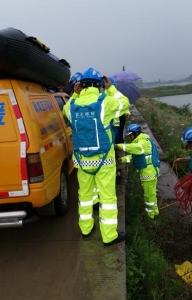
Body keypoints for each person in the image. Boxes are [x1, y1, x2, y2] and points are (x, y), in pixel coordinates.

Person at [63, 67, 130, 246]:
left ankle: (86, 229)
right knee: (107, 198)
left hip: (82, 162)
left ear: (80, 85)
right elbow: (125, 103)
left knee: (84, 196)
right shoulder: (105, 102)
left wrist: (75, 95)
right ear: (99, 85)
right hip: (104, 161)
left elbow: (66, 111)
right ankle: (109, 236)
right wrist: (111, 88)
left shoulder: (71, 105)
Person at [116, 123, 160, 219]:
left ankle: (151, 216)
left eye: (130, 135)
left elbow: (134, 149)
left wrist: (117, 146)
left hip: (149, 174)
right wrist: (122, 159)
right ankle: (155, 212)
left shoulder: (143, 142)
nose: (130, 138)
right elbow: (135, 156)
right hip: (148, 173)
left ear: (135, 133)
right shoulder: (141, 142)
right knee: (151, 194)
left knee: (149, 197)